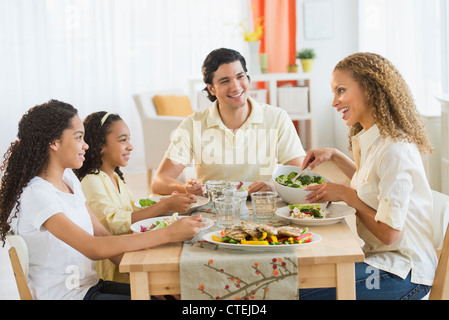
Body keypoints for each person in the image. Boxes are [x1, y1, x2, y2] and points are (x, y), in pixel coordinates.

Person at [0, 100, 205, 300]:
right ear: (54, 143)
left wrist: (145, 279)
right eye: (78, 137)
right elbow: (93, 247)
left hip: (90, 286)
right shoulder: (37, 195)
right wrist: (167, 233)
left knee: (173, 293)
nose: (86, 145)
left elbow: (102, 235)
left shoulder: (68, 178)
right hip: (69, 295)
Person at [299, 52, 436, 300]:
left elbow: (389, 233)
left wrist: (347, 196)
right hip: (382, 261)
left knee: (302, 292)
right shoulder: (373, 140)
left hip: (404, 273)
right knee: (299, 279)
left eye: (341, 91)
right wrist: (335, 156)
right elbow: (369, 187)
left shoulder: (395, 150)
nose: (334, 102)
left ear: (371, 90)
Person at [151, 48, 306, 196]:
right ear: (211, 89)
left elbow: (300, 174)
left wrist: (273, 187)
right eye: (225, 81)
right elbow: (159, 182)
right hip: (211, 212)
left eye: (240, 77)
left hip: (262, 208)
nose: (235, 87)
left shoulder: (277, 118)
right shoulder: (193, 124)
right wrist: (185, 188)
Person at [75, 111, 198, 283]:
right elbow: (113, 224)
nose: (130, 146)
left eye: (129, 140)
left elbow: (136, 208)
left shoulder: (115, 177)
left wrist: (172, 200)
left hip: (133, 252)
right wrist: (164, 205)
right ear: (100, 145)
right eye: (123, 140)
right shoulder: (91, 181)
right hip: (117, 268)